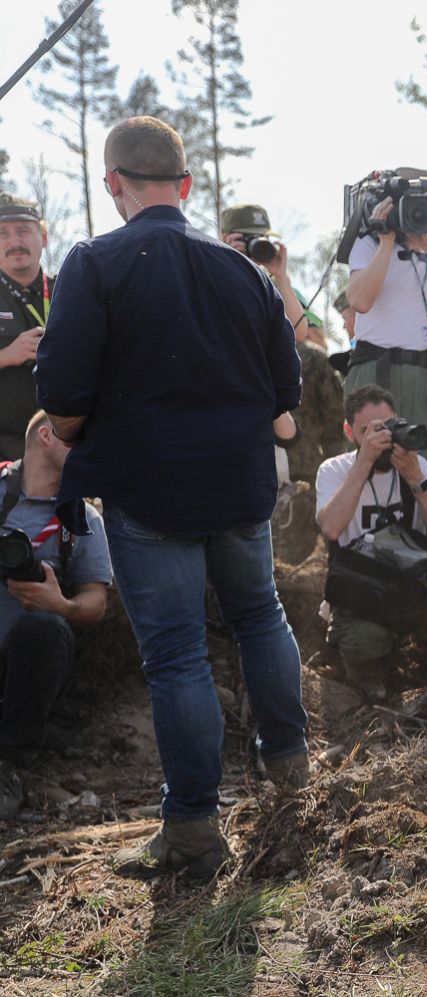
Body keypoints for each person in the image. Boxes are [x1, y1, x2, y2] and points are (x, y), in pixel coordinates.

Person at [35, 116, 307, 880]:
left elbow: (61, 397)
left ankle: (192, 827)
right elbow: (285, 388)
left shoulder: (95, 263)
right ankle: (292, 771)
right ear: (185, 187)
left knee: (179, 653)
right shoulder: (244, 273)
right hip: (238, 483)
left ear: (113, 183)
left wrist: (79, 426)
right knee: (262, 616)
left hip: (148, 493)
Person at [315, 385, 427, 704]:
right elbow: (331, 528)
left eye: (388, 425)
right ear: (349, 432)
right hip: (362, 587)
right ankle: (371, 681)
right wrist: (364, 463)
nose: (381, 437)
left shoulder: (415, 465)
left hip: (408, 582)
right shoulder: (334, 470)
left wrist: (416, 479)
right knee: (363, 644)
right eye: (369, 430)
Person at [0, 413, 112, 818]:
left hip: (27, 660)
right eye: (80, 441)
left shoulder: (83, 518)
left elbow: (95, 603)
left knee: (46, 628)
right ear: (46, 436)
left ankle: (10, 765)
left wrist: (59, 605)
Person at [344, 169, 427, 494]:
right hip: (375, 371)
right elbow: (360, 301)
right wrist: (386, 242)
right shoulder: (367, 246)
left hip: (426, 377)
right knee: (371, 463)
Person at [220, 204, 344, 485]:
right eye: (245, 239)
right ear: (224, 237)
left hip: (283, 436)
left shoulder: (273, 285)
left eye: (260, 239)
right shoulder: (212, 275)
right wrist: (227, 259)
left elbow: (299, 334)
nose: (254, 247)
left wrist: (282, 277)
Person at [0, 194, 51, 462]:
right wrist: (7, 355)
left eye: (23, 231)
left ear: (43, 236)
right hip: (5, 455)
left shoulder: (71, 290)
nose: (14, 242)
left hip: (66, 447)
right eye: (3, 233)